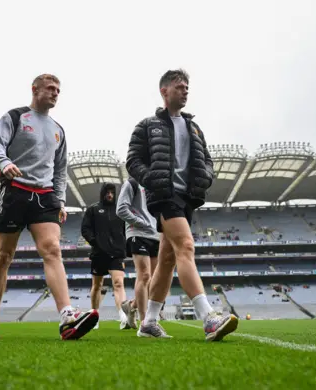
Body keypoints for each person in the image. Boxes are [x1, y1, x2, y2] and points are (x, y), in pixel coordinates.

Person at [0, 73, 98, 340]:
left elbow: (60, 170)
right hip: (15, 191)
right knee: (3, 257)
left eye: (58, 90)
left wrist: (61, 200)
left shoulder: (58, 129)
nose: (56, 93)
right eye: (50, 88)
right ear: (35, 89)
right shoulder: (16, 117)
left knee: (52, 250)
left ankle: (67, 316)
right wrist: (3, 163)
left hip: (45, 197)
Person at [126, 69, 238, 340]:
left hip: (187, 197)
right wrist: (150, 178)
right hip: (164, 194)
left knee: (166, 259)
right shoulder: (147, 125)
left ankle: (149, 322)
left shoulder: (194, 127)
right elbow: (132, 160)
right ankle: (208, 317)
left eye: (187, 87)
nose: (185, 90)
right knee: (186, 247)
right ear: (164, 91)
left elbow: (207, 160)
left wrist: (206, 177)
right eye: (179, 87)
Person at [81, 183, 129, 329]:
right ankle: (94, 316)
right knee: (97, 286)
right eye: (107, 192)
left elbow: (126, 230)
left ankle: (124, 317)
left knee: (118, 283)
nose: (110, 195)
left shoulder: (120, 210)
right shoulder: (93, 210)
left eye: (112, 192)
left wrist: (124, 247)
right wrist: (95, 242)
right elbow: (85, 229)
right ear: (103, 193)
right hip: (99, 253)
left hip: (116, 254)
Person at [116, 177, 162, 330]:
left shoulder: (156, 185)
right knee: (145, 275)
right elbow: (121, 209)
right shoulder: (131, 184)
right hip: (138, 233)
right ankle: (145, 321)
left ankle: (131, 305)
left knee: (153, 280)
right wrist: (141, 222)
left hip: (155, 235)